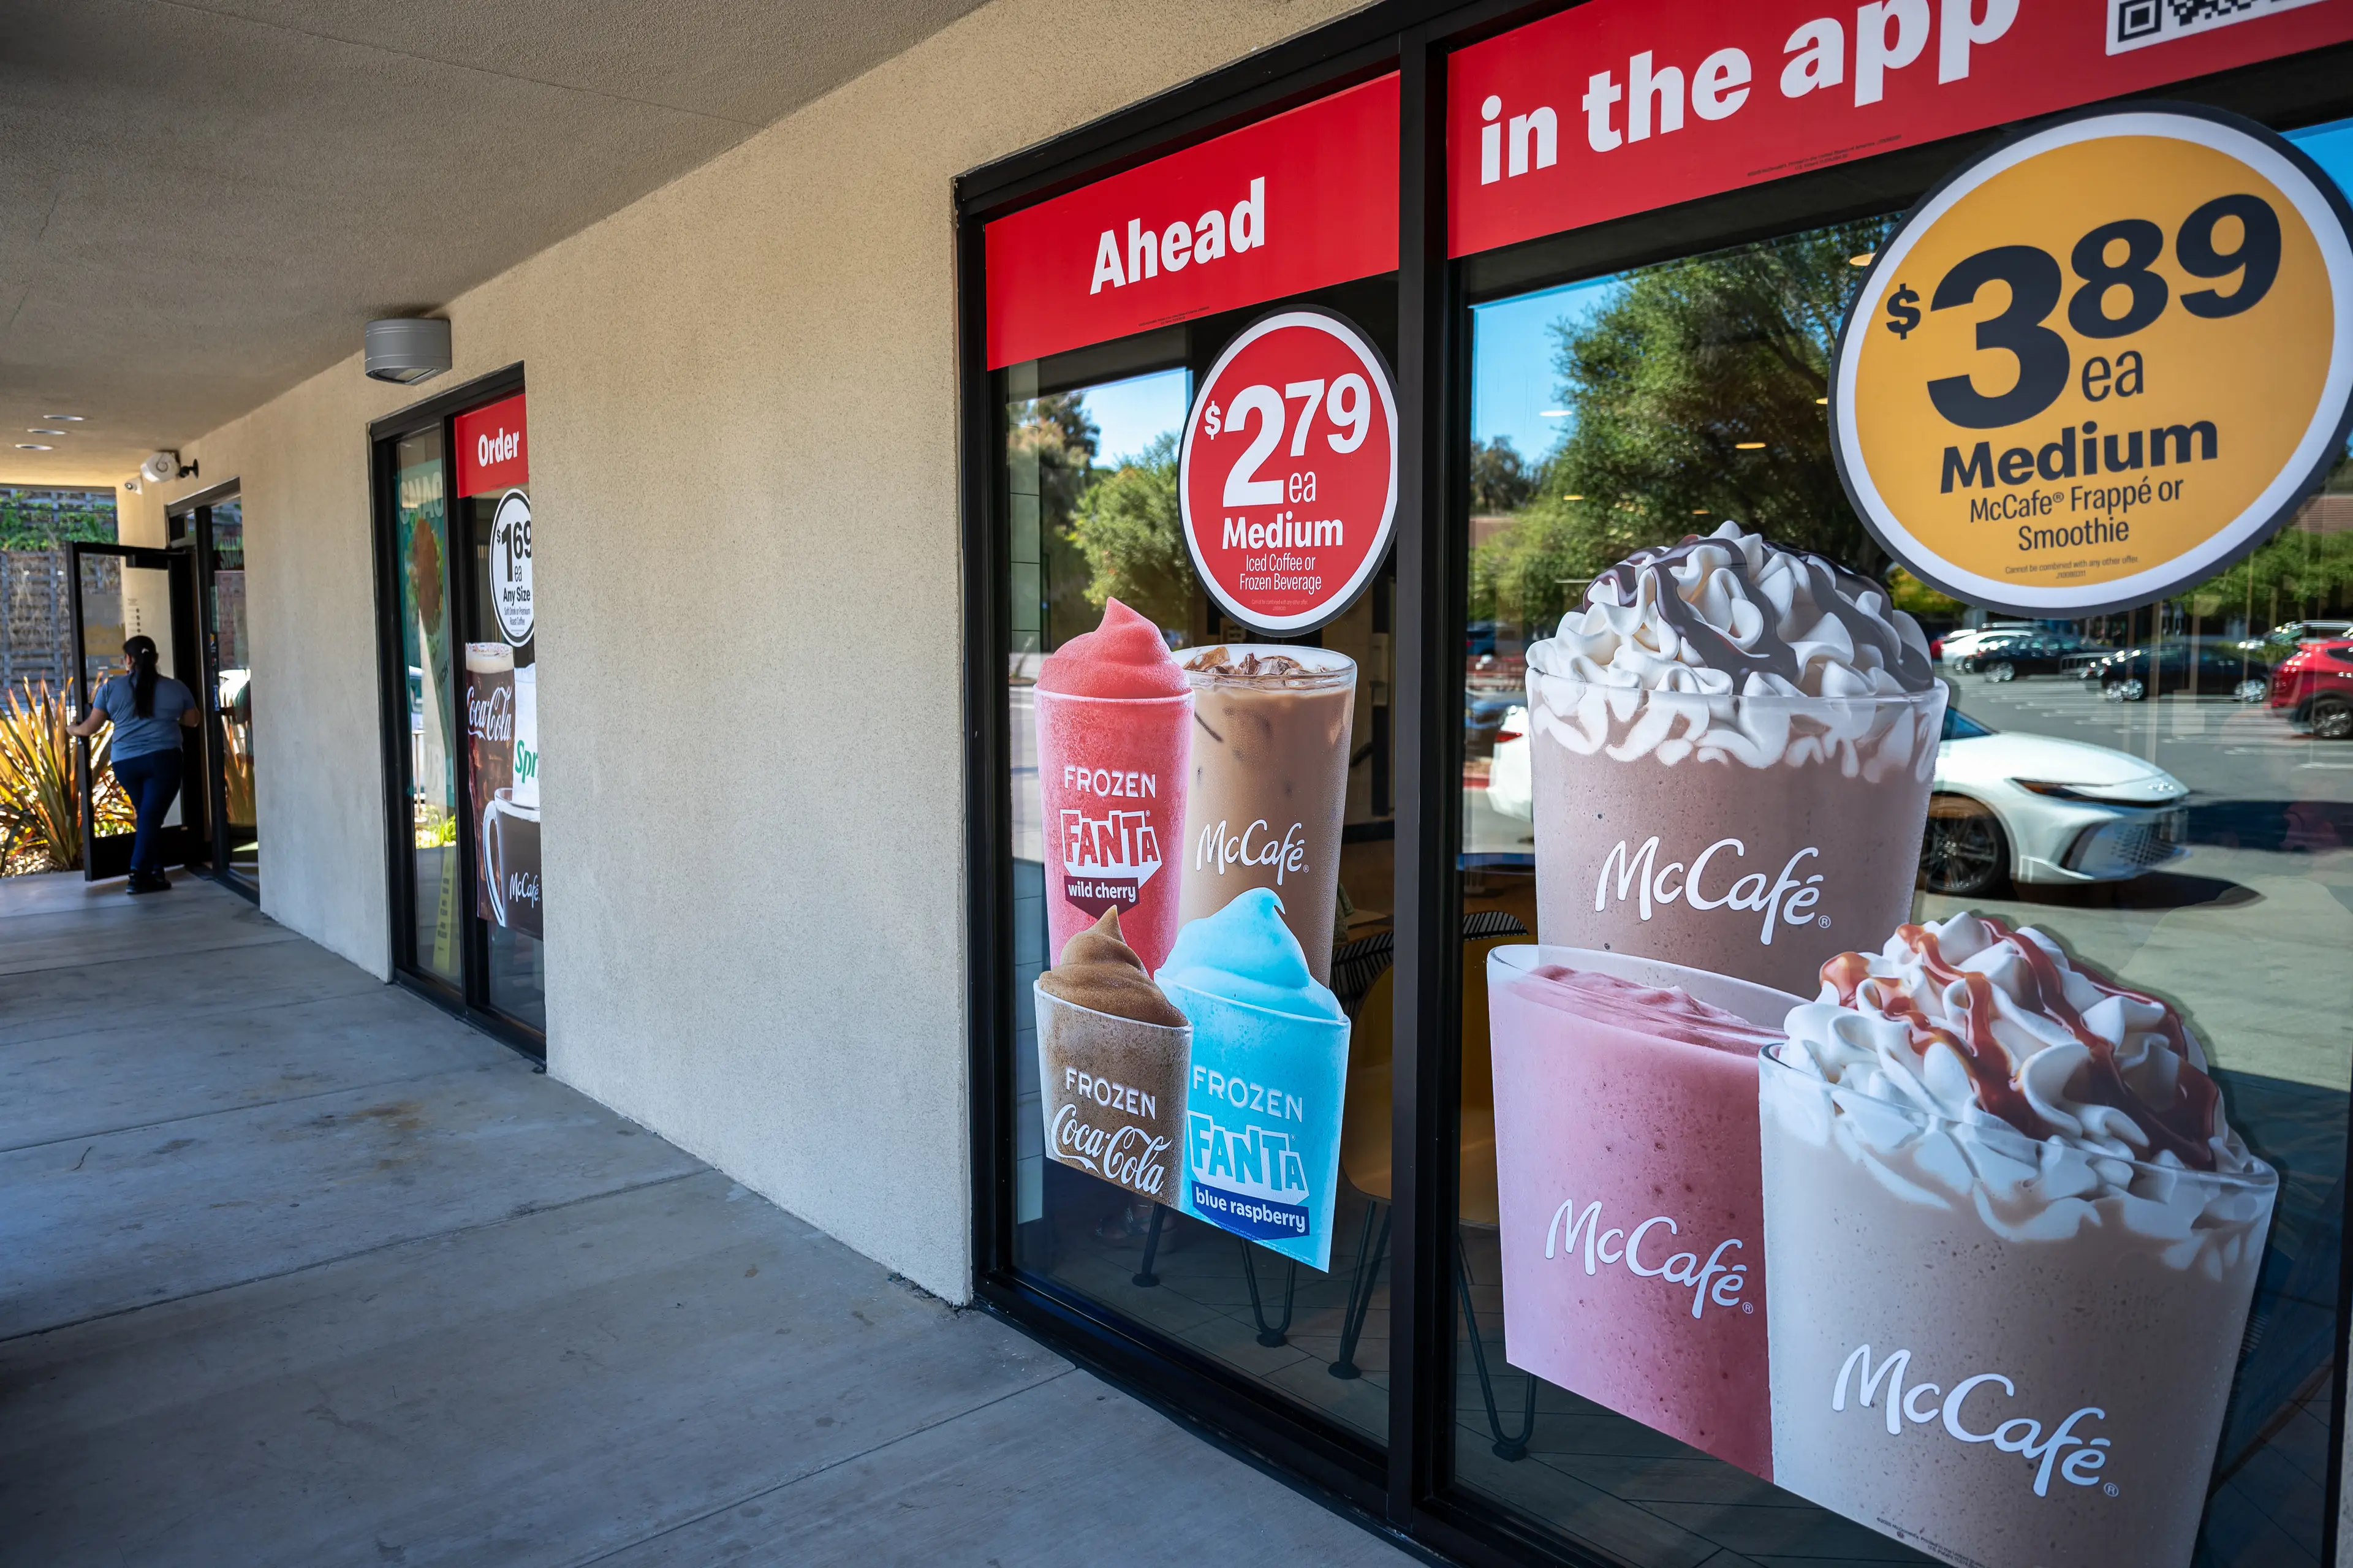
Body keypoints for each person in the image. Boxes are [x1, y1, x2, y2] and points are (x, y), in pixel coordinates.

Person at [67, 635, 200, 893]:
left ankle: (155, 872)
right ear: (156, 658)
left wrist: (72, 729)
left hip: (126, 763)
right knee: (151, 816)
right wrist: (168, 714)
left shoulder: (110, 689)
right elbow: (193, 721)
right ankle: (139, 875)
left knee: (149, 815)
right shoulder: (176, 688)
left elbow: (90, 728)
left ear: (127, 660)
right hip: (164, 761)